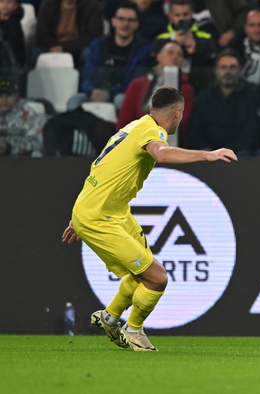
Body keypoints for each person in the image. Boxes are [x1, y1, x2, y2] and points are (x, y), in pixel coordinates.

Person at [62, 86, 237, 351]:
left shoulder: (133, 127)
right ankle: (133, 330)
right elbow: (162, 154)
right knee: (157, 278)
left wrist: (79, 215)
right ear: (178, 112)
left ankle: (109, 317)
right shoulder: (152, 131)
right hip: (100, 217)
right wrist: (207, 154)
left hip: (110, 212)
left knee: (144, 272)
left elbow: (100, 167)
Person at [67, 1, 150, 111]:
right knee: (75, 100)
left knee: (120, 100)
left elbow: (135, 83)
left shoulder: (143, 49)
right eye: (121, 19)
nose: (125, 24)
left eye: (130, 20)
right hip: (96, 92)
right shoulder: (98, 45)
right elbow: (88, 75)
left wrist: (110, 93)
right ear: (113, 21)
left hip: (120, 94)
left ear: (137, 24)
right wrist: (92, 91)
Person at [188, 49, 260, 155]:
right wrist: (206, 148)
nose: (228, 72)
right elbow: (195, 130)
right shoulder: (204, 97)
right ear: (216, 71)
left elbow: (253, 133)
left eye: (232, 67)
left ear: (240, 70)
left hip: (240, 156)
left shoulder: (253, 96)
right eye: (223, 67)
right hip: (208, 155)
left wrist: (226, 152)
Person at [117, 41, 194, 147]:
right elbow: (124, 119)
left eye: (179, 54)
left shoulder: (186, 90)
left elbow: (181, 122)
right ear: (159, 57)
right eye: (170, 52)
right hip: (136, 142)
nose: (175, 56)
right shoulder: (137, 85)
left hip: (169, 144)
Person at [33, 0, 104, 66]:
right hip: (53, 46)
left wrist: (64, 48)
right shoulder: (48, 5)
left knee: (87, 54)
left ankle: (85, 79)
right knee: (37, 53)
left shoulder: (92, 6)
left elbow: (93, 37)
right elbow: (41, 36)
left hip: (78, 48)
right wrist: (54, 46)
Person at [155, 0, 217, 68]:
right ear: (170, 16)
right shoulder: (160, 40)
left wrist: (193, 53)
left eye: (185, 14)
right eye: (177, 15)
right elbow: (152, 68)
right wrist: (174, 43)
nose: (182, 19)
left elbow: (210, 72)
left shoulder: (206, 39)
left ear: (192, 13)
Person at [0, 75, 44, 157]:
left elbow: (38, 142)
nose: (4, 100)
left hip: (19, 160)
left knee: (36, 154)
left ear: (16, 95)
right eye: (0, 96)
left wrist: (10, 147)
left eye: (8, 96)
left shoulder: (27, 113)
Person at [0, 0, 25, 66]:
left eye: (9, 2)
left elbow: (16, 48)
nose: (5, 5)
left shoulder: (15, 24)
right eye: (2, 1)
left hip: (10, 64)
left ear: (15, 5)